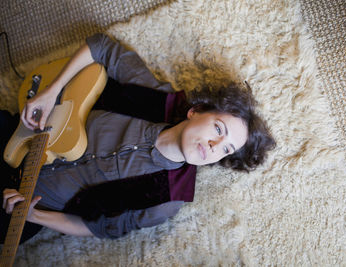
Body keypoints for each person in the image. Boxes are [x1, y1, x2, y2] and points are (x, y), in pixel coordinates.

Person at [1, 33, 275, 242]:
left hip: (23, 203)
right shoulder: (154, 96)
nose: (214, 146)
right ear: (196, 111)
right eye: (218, 129)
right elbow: (101, 46)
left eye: (226, 149)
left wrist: (33, 215)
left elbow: (100, 227)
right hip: (19, 134)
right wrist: (51, 92)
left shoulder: (167, 203)